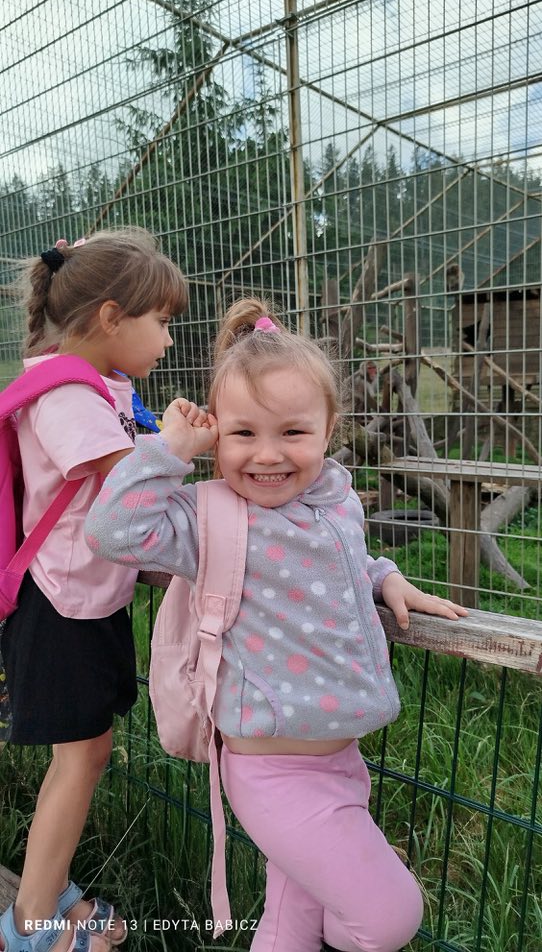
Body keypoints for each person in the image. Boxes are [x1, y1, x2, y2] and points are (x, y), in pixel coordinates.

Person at [84, 298, 468, 952]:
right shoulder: (208, 518)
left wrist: (385, 576)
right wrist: (166, 452)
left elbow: (344, 560)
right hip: (273, 775)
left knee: (292, 921)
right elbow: (112, 531)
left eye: (292, 432)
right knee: (388, 918)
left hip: (342, 760)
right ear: (215, 434)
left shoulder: (335, 497)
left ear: (329, 428)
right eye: (243, 433)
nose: (268, 455)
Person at [0, 229, 188, 952]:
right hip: (60, 608)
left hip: (87, 598)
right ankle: (31, 927)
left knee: (87, 753)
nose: (168, 340)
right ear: (111, 317)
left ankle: (46, 891)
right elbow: (129, 486)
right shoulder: (67, 397)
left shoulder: (96, 388)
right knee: (79, 759)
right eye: (161, 322)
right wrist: (179, 447)